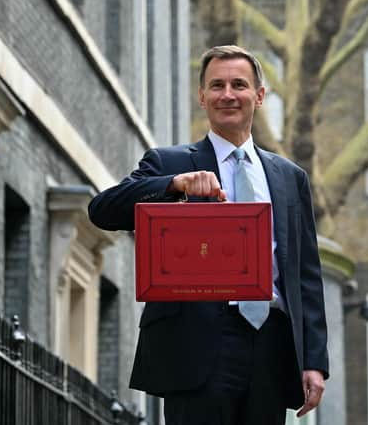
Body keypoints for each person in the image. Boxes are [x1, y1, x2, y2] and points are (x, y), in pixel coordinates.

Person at [88, 45, 328, 425]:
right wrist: (173, 185)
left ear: (259, 96)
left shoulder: (289, 176)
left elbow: (306, 275)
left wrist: (315, 361)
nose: (227, 94)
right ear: (202, 97)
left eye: (239, 85)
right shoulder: (170, 163)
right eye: (216, 86)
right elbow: (102, 210)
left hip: (271, 344)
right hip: (195, 345)